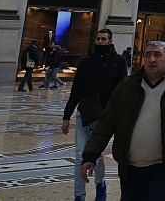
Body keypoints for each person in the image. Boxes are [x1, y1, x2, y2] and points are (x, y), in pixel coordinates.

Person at [81, 40, 165, 198]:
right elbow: (106, 122)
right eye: (147, 55)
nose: (152, 59)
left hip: (162, 167)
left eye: (157, 55)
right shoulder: (127, 86)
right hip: (128, 166)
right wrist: (90, 155)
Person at [62, 28, 128, 201]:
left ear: (110, 41)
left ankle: (101, 185)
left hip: (105, 116)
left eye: (103, 39)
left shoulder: (119, 62)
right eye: (98, 39)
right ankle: (79, 195)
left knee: (96, 155)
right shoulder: (85, 62)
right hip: (84, 112)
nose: (100, 42)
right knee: (79, 156)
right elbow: (76, 90)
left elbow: (122, 90)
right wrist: (66, 116)